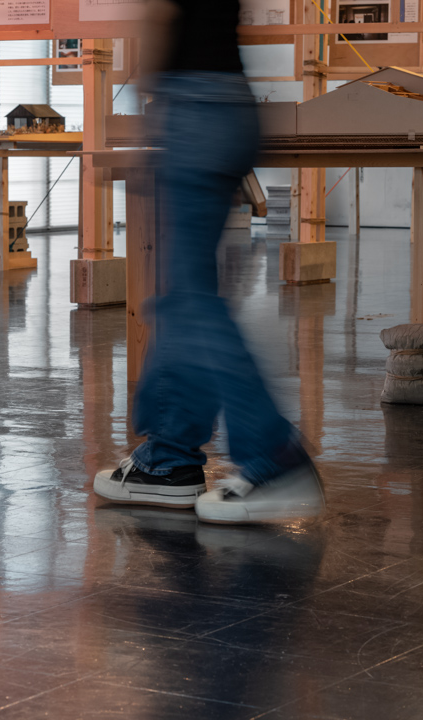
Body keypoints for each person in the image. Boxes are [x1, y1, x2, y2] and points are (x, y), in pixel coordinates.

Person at [93, 0, 325, 524]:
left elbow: (158, 12)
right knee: (184, 296)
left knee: (191, 304)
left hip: (193, 104)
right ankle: (170, 460)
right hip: (227, 101)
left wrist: (151, 104)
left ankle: (274, 456)